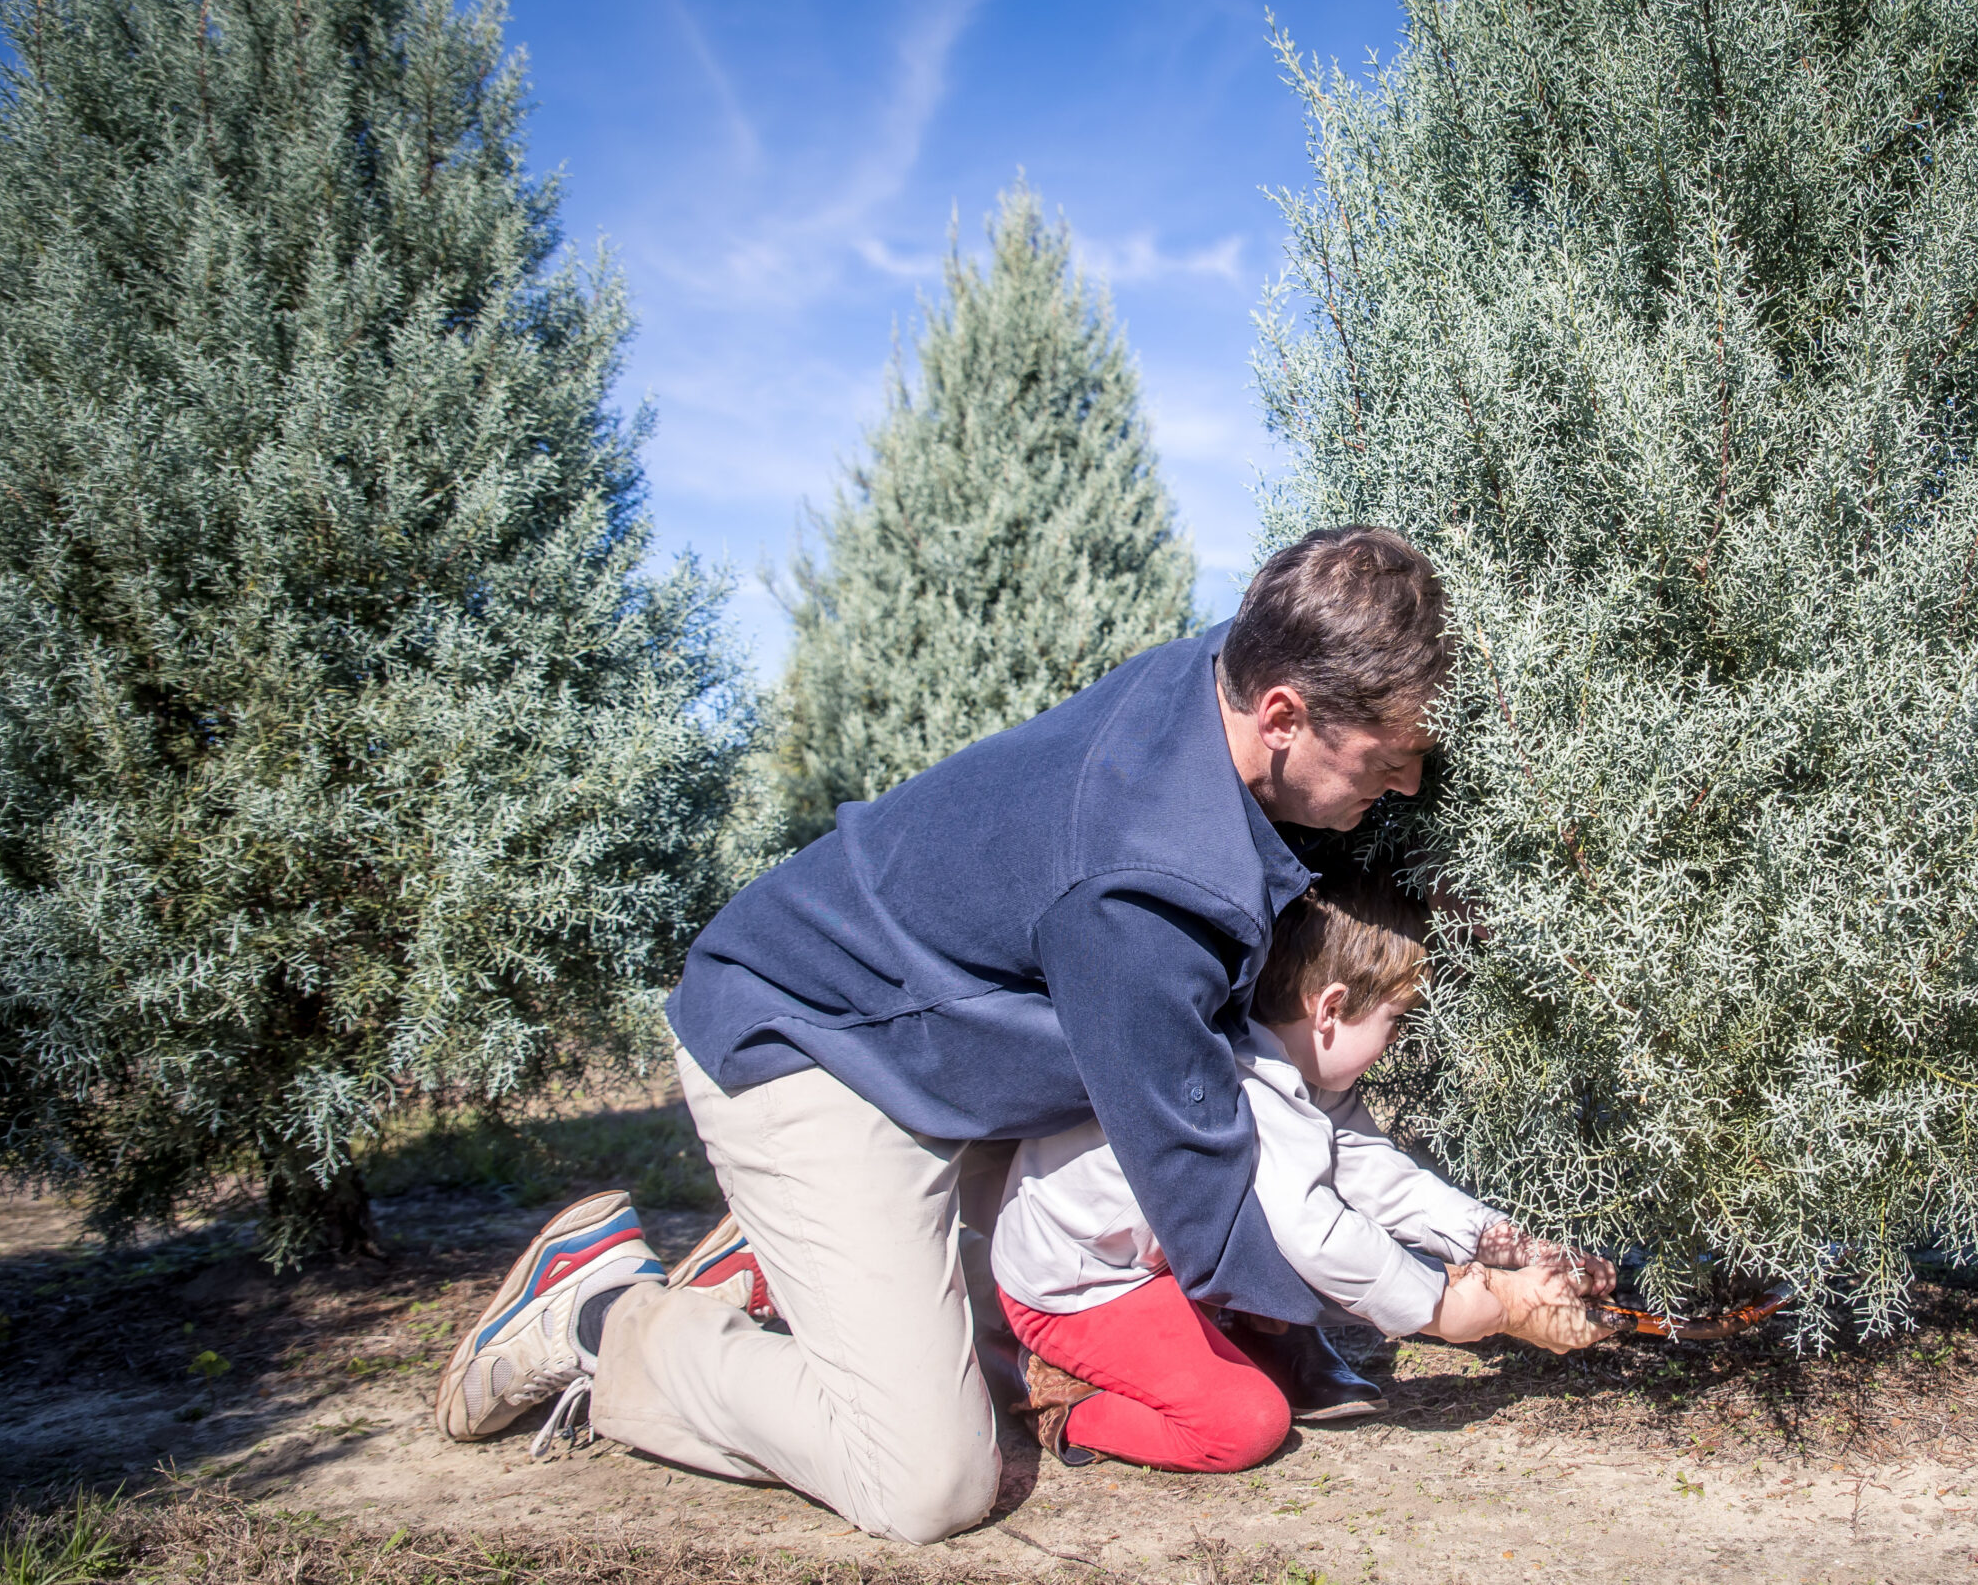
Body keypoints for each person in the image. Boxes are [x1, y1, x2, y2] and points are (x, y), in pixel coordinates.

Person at [433, 528, 1457, 1543]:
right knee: (929, 1484)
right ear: (1282, 712)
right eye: (1391, 755)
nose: (1405, 784)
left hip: (939, 1049)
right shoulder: (1143, 878)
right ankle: (603, 1314)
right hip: (814, 1050)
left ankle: (792, 1252)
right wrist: (1405, 1304)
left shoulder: (1217, 677)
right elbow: (1200, 1173)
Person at [989, 868, 1617, 1473]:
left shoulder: (1298, 1067)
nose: (1399, 1042)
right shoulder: (1244, 1086)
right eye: (1396, 1020)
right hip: (1081, 1288)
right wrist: (1454, 1307)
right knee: (1242, 1424)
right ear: (1331, 1008)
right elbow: (1314, 1230)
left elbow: (1377, 1174)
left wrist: (1510, 1247)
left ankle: (1239, 1330)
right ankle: (1064, 1401)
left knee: (1287, 1252)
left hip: (1162, 1261)